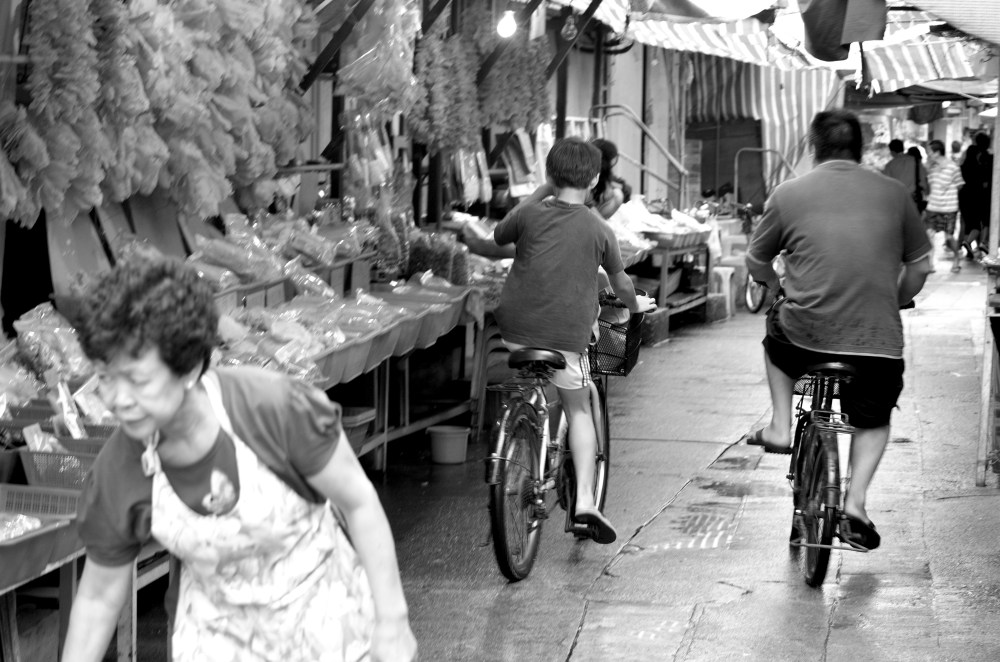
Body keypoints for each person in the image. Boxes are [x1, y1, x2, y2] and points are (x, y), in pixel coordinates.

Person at [61, 257, 417, 662]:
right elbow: (98, 597)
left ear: (190, 367)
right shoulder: (119, 470)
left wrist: (393, 621)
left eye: (137, 380)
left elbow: (359, 503)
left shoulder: (273, 408)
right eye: (106, 378)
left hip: (327, 627)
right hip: (216, 641)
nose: (117, 399)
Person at [744, 110, 932, 551]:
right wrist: (898, 297)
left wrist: (776, 287)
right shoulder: (894, 193)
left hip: (804, 333)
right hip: (877, 343)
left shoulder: (788, 193)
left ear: (814, 148)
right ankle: (856, 503)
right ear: (861, 149)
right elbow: (920, 267)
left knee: (775, 336)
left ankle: (778, 425)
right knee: (874, 415)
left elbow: (756, 262)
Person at [492, 136, 656, 544]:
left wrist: (540, 192)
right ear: (596, 178)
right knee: (578, 409)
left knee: (539, 387)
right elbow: (620, 284)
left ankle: (522, 431)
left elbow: (498, 235)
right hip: (566, 338)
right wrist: (638, 305)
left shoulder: (529, 214)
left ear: (548, 175)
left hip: (513, 331)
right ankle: (585, 502)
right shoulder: (599, 228)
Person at [923, 139, 965, 273]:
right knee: (929, 235)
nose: (928, 154)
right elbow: (929, 186)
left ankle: (957, 258)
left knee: (949, 238)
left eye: (929, 151)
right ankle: (930, 264)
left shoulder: (953, 167)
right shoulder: (931, 167)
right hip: (932, 207)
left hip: (948, 209)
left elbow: (960, 185)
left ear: (937, 152)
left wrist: (947, 195)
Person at [590, 138, 632, 220]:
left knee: (617, 194)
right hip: (580, 211)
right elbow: (586, 204)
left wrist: (623, 187)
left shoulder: (602, 173)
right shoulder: (588, 173)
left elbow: (615, 182)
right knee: (616, 194)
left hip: (590, 211)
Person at [883, 139, 928, 213]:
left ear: (892, 152)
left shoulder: (889, 166)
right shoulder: (916, 161)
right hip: (914, 202)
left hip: (898, 202)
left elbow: (886, 187)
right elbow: (924, 182)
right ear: (903, 148)